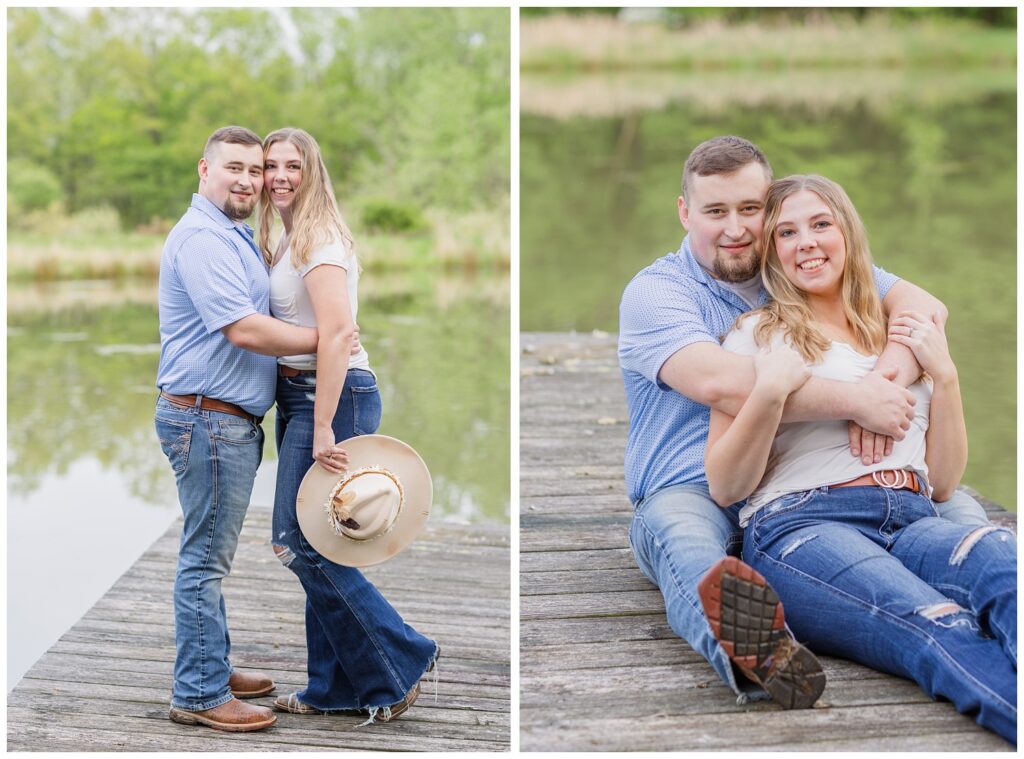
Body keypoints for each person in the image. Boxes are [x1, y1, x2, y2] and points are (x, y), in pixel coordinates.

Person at [617, 136, 993, 708]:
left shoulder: (796, 261)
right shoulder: (658, 292)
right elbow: (723, 383)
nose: (736, 228)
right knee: (689, 544)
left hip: (801, 483)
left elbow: (921, 308)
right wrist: (855, 400)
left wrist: (887, 379)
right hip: (695, 485)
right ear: (685, 211)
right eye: (716, 212)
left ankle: (988, 613)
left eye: (751, 209)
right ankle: (761, 656)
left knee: (960, 511)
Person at [704, 174, 1016, 742]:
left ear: (847, 232)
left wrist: (945, 377)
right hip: (805, 525)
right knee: (935, 623)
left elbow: (944, 483)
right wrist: (769, 392)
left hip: (914, 518)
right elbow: (725, 486)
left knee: (1006, 565)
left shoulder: (900, 335)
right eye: (787, 233)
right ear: (772, 252)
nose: (807, 242)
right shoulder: (757, 334)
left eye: (821, 224)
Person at [257, 127, 438, 722]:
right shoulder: (286, 238)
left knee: (296, 543)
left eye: (293, 166)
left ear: (313, 172)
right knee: (323, 540)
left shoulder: (319, 238)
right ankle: (331, 688)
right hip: (302, 398)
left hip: (329, 400)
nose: (280, 176)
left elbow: (336, 334)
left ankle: (400, 657)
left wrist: (326, 424)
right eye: (271, 166)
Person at [156, 126, 324, 732]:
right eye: (236, 168)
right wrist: (325, 340)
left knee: (208, 554)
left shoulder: (233, 234)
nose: (249, 181)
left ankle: (210, 661)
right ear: (204, 169)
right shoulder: (203, 239)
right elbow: (244, 329)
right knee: (204, 559)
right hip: (206, 418)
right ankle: (198, 693)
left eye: (256, 170)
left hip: (220, 419)